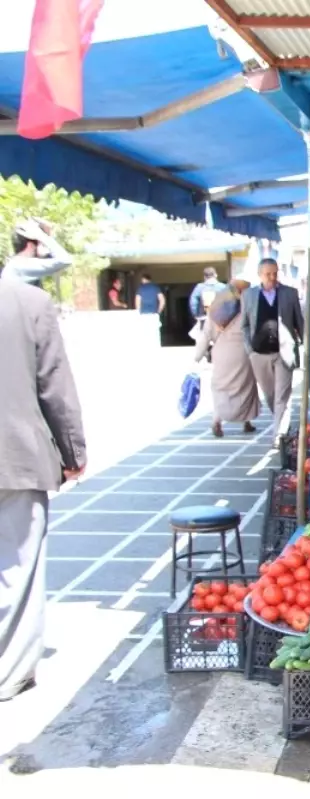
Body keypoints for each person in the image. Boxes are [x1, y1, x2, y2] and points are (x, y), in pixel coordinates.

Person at [0, 271, 86, 701]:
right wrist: (73, 452)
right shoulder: (27, 301)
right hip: (13, 454)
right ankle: (9, 671)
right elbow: (55, 385)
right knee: (18, 569)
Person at [242, 258, 304, 442]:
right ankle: (281, 422)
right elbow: (244, 325)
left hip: (284, 352)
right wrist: (249, 349)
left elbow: (299, 322)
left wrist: (305, 345)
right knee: (270, 395)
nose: (272, 277)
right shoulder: (248, 295)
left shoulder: (290, 294)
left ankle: (278, 435)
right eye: (268, 274)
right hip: (259, 353)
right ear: (259, 274)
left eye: (275, 273)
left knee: (282, 396)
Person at [195, 279, 260, 438]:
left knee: (220, 388)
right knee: (245, 388)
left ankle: (216, 420)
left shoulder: (215, 309)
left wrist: (197, 356)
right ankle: (246, 422)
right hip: (243, 354)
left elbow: (205, 335)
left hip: (221, 354)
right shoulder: (249, 307)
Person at [3, 219, 72, 284]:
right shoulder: (21, 265)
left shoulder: (15, 265)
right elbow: (65, 260)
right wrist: (41, 235)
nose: (44, 247)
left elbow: (54, 260)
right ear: (30, 245)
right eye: (41, 243)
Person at [134, 273, 165, 345]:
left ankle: (146, 345)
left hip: (143, 314)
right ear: (150, 280)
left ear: (143, 279)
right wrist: (159, 311)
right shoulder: (156, 288)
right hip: (154, 313)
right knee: (154, 331)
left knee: (144, 332)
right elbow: (162, 300)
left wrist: (138, 312)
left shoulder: (140, 288)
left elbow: (137, 301)